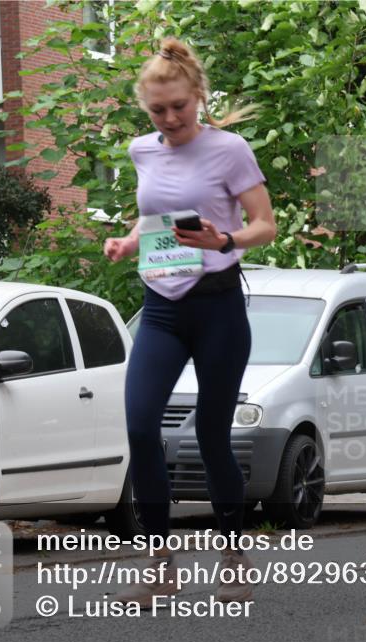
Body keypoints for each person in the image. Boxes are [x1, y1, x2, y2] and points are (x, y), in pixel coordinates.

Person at [103, 37, 276, 605]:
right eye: (158, 110)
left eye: (179, 106)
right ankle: (159, 564)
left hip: (217, 306)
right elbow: (154, 216)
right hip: (161, 306)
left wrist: (225, 239)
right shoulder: (141, 151)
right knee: (139, 427)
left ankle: (233, 556)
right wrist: (128, 243)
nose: (170, 118)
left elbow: (265, 225)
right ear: (145, 108)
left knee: (210, 434)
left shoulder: (230, 149)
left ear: (198, 96)